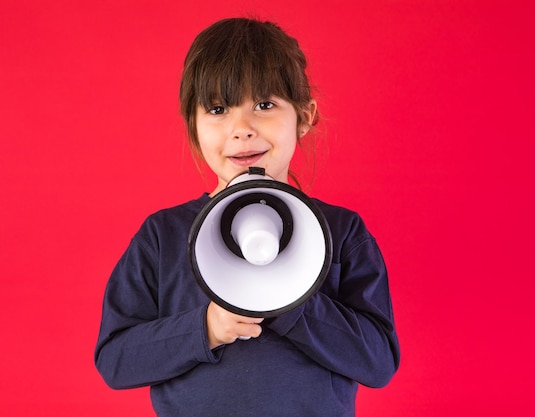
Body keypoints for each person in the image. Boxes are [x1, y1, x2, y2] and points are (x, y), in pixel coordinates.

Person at [95, 17, 399, 417]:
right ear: (194, 127)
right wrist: (205, 329)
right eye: (218, 109)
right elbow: (116, 361)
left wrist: (290, 301)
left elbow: (377, 363)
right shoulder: (161, 235)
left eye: (265, 105)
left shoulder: (342, 233)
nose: (242, 129)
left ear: (305, 117)